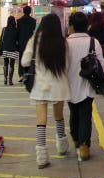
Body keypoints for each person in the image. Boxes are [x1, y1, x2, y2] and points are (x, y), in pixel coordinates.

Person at [21, 13, 70, 169]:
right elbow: (67, 66)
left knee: (41, 121)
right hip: (58, 84)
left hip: (40, 85)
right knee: (59, 116)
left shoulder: (34, 41)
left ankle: (41, 156)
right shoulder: (63, 42)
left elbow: (24, 62)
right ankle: (62, 146)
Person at [66, 12, 104, 163]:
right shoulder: (93, 42)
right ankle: (84, 146)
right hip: (88, 84)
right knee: (85, 115)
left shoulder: (66, 43)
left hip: (69, 85)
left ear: (72, 26)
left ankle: (77, 140)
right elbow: (101, 63)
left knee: (73, 114)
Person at [17, 6, 37, 81]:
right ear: (30, 12)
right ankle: (28, 74)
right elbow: (33, 30)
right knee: (30, 58)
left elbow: (18, 32)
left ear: (23, 11)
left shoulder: (19, 21)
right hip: (30, 43)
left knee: (21, 58)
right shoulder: (33, 21)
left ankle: (21, 74)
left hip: (21, 43)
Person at [0, 16, 19, 85]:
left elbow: (2, 39)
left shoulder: (4, 29)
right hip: (13, 49)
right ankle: (10, 80)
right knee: (12, 64)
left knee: (5, 63)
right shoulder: (16, 30)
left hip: (5, 48)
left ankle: (5, 79)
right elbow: (17, 40)